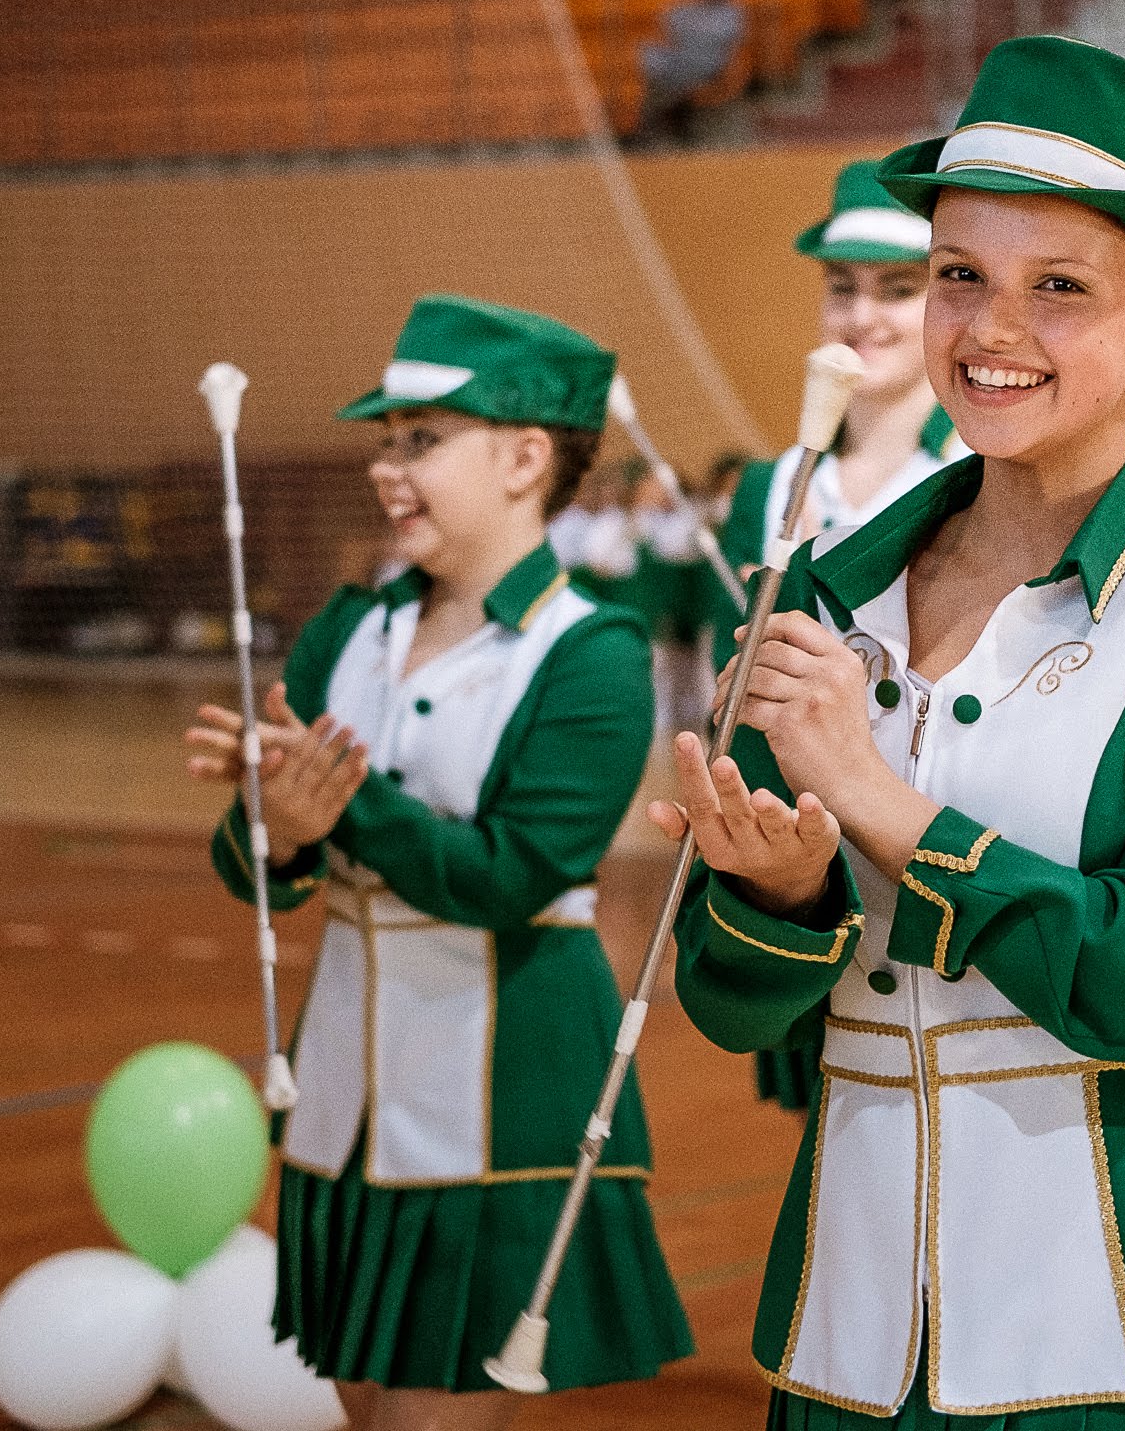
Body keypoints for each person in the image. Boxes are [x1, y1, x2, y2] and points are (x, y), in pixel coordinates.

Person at [667, 35, 1125, 1426]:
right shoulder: (823, 588)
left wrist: (882, 803)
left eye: (1059, 290)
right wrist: (780, 890)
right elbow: (727, 999)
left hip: (1119, 1315)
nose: (989, 330)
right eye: (959, 276)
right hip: (859, 1315)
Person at [184, 297, 692, 1426]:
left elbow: (512, 874)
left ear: (524, 457)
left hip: (502, 1099)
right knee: (364, 1407)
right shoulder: (349, 627)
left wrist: (343, 804)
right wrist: (276, 823)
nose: (386, 467)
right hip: (347, 1099)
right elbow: (265, 870)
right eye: (386, 440)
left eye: (421, 440)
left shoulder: (594, 654)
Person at [710, 160, 963, 1112]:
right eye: (842, 288)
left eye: (898, 290)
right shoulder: (770, 489)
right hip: (803, 863)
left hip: (933, 840)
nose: (864, 316)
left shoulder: (986, 472)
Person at [634, 0, 749, 144]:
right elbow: (664, 34)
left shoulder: (733, 13)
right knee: (648, 55)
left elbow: (734, 51)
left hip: (709, 68)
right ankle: (653, 126)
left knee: (676, 79)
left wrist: (729, 79)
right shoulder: (685, 8)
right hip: (679, 63)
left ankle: (676, 115)